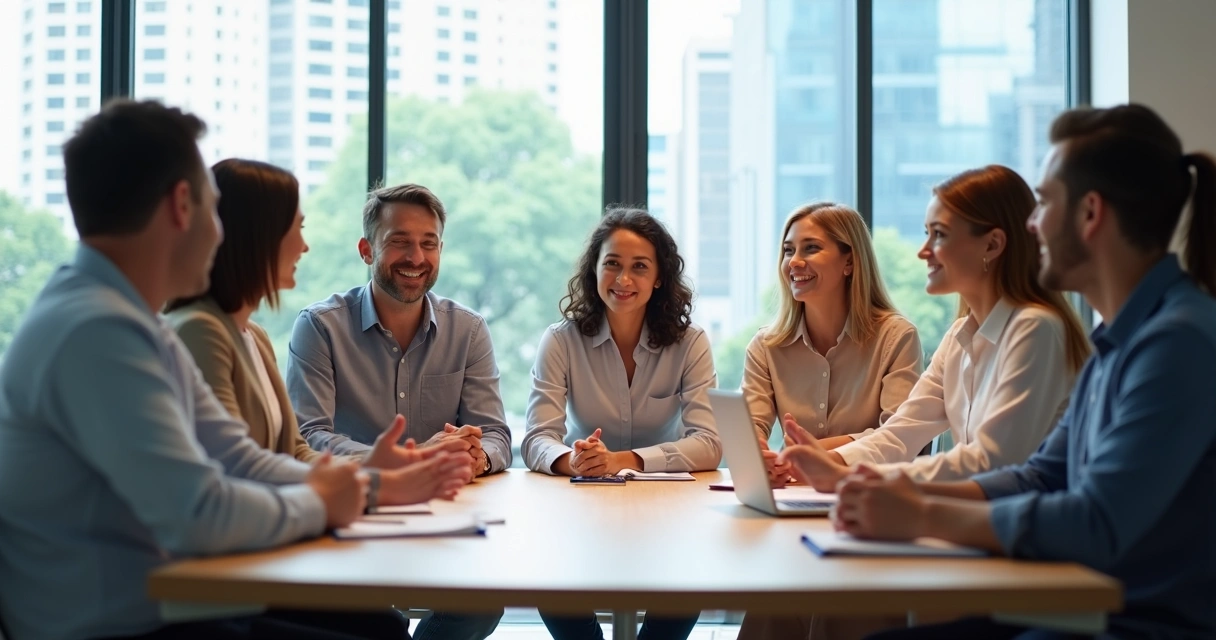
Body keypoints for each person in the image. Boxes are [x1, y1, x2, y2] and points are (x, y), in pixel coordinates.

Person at [820, 104, 1216, 639]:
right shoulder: (1121, 339)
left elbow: (1094, 523)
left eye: (1046, 201)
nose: (1032, 223)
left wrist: (921, 515)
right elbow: (1040, 476)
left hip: (1132, 623)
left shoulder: (1176, 342)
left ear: (1090, 213)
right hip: (1083, 606)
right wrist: (888, 491)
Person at [0, 100, 377, 640]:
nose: (222, 232)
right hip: (124, 628)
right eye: (212, 206)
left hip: (169, 610)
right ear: (182, 204)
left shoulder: (129, 319)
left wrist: (353, 485)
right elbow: (199, 513)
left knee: (374, 628)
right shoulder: (97, 331)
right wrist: (321, 500)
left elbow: (236, 457)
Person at [166, 158, 472, 507]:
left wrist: (375, 473)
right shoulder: (202, 332)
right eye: (296, 228)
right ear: (257, 238)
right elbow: (239, 467)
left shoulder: (254, 336)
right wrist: (371, 487)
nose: (304, 245)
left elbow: (293, 450)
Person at [779, 166, 1090, 494]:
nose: (923, 250)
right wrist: (833, 462)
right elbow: (901, 434)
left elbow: (992, 461)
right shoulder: (960, 335)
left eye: (939, 234)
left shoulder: (1035, 328)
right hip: (983, 526)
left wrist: (847, 476)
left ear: (992, 245)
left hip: (1023, 536)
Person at [286, 182, 507, 639]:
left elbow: (495, 436)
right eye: (399, 242)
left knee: (483, 604)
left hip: (445, 512)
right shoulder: (319, 327)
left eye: (428, 243)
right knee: (376, 623)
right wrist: (415, 456)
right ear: (367, 250)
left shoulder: (467, 330)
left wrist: (474, 456)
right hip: (354, 510)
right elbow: (308, 434)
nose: (416, 257)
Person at [522, 207, 717, 639]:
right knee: (549, 581)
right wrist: (572, 462)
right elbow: (537, 437)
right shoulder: (560, 340)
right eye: (612, 264)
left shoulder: (691, 343)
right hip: (581, 503)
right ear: (594, 269)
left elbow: (709, 443)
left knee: (690, 580)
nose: (623, 280)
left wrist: (623, 460)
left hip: (669, 508)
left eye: (639, 267)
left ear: (660, 277)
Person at [740, 203, 922, 490]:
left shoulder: (896, 337)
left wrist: (815, 452)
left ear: (849, 262)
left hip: (870, 494)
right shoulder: (766, 346)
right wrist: (759, 458)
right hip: (796, 492)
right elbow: (749, 429)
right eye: (789, 251)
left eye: (811, 248)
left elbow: (899, 435)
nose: (794, 262)